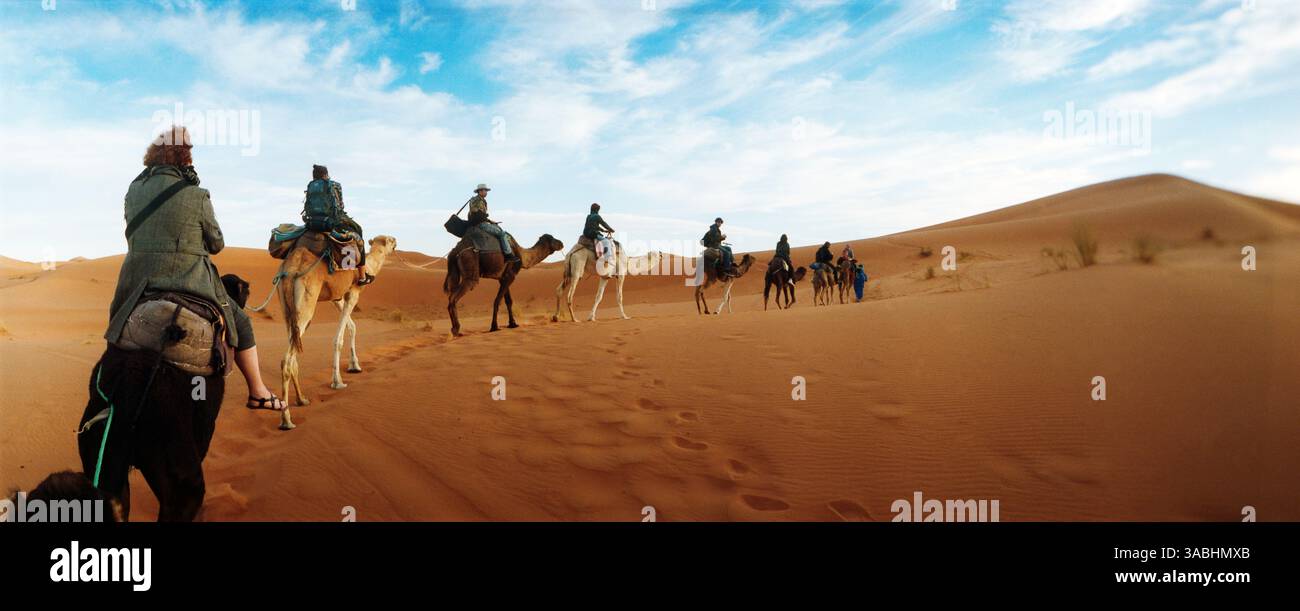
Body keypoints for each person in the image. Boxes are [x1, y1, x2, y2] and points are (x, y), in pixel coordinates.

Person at [106, 126, 285, 411]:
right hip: (189, 280)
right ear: (184, 155)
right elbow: (216, 244)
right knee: (241, 324)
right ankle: (258, 391)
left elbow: (132, 230)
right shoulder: (196, 194)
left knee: (117, 322)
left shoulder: (133, 189)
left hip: (136, 280)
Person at [303, 164, 372, 284]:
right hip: (333, 222)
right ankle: (361, 275)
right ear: (326, 174)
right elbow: (340, 206)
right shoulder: (334, 185)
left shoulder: (310, 186)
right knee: (357, 231)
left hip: (312, 222)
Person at [466, 183, 515, 260]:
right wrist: (487, 219)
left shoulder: (478, 200)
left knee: (497, 228)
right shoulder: (477, 200)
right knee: (502, 234)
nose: (486, 192)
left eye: (486, 191)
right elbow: (478, 214)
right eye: (485, 190)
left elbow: (479, 215)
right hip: (481, 225)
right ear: (480, 191)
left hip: (478, 223)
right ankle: (508, 254)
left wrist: (490, 221)